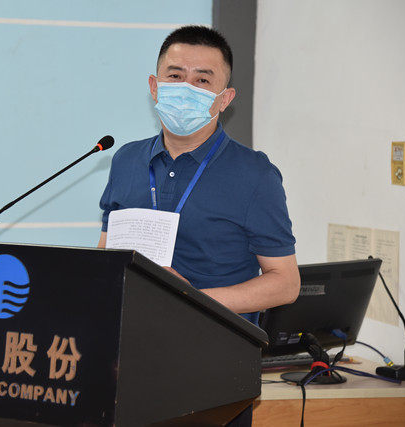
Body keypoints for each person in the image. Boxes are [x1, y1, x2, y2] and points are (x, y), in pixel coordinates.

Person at [98, 26, 300, 424]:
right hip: (131, 361)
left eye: (203, 80)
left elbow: (285, 283)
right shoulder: (125, 160)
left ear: (224, 99)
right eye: (175, 76)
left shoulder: (255, 174)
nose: (186, 87)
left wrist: (192, 299)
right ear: (154, 87)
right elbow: (107, 253)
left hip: (215, 371)